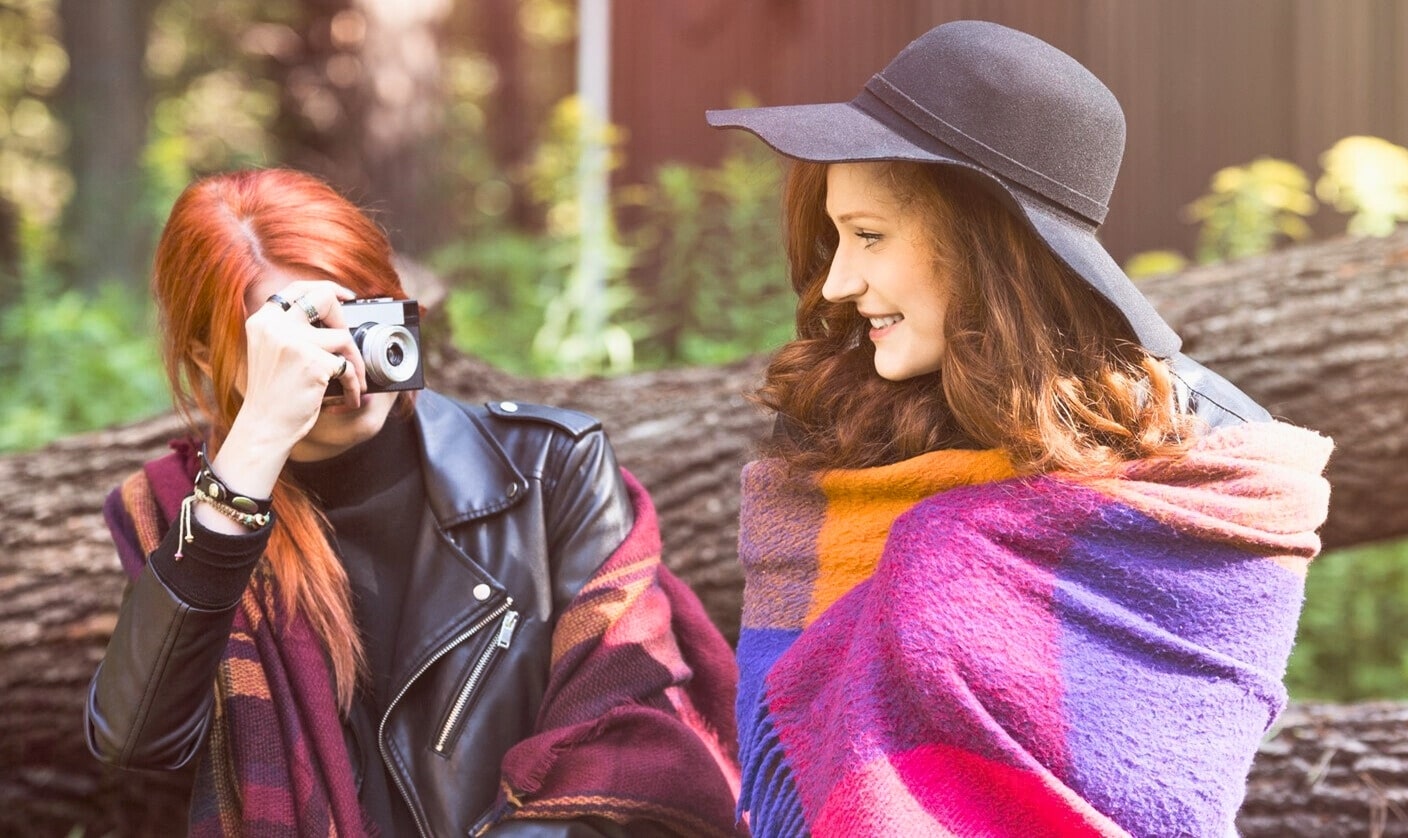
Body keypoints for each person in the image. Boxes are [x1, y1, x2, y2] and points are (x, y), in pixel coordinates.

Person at [707, 20, 1333, 838]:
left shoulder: (1211, 462)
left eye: (869, 237)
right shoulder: (838, 432)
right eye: (835, 239)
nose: (837, 283)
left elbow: (1172, 784)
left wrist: (941, 553)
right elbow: (784, 754)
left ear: (986, 244)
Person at [85, 168, 742, 837]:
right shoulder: (187, 517)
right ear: (210, 351)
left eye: (357, 312)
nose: (345, 359)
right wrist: (249, 454)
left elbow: (624, 740)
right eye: (303, 332)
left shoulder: (547, 470)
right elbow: (139, 739)